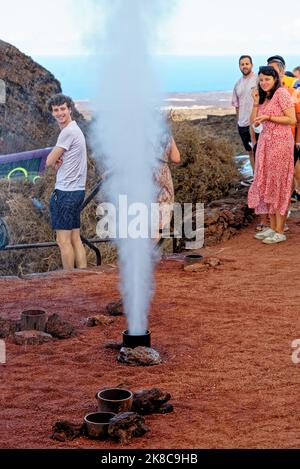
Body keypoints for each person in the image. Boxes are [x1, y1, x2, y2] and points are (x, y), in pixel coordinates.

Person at [248, 66, 296, 244]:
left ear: (275, 79)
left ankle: (280, 230)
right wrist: (255, 102)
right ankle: (273, 227)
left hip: (281, 143)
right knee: (269, 183)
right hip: (266, 144)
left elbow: (292, 119)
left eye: (267, 79)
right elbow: (254, 122)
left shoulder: (281, 93)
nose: (264, 82)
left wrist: (269, 117)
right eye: (261, 80)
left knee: (279, 184)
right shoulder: (265, 97)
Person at [46, 93, 87, 270]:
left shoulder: (68, 132)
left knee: (62, 241)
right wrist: (58, 162)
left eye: (63, 108)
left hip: (66, 193)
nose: (60, 113)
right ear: (52, 113)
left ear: (70, 109)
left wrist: (54, 160)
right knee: (75, 239)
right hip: (77, 191)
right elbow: (60, 161)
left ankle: (68, 281)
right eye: (56, 110)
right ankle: (83, 278)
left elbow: (48, 161)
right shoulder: (75, 129)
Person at [232, 55, 257, 171]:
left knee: (260, 151)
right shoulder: (237, 84)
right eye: (242, 64)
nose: (245, 66)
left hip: (256, 123)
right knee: (250, 152)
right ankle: (255, 178)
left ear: (251, 65)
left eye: (247, 64)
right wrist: (238, 121)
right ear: (239, 67)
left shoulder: (258, 80)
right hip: (242, 125)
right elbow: (236, 105)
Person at [154, 132, 180, 238]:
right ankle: (154, 252)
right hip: (163, 176)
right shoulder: (165, 134)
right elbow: (176, 158)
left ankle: (145, 252)